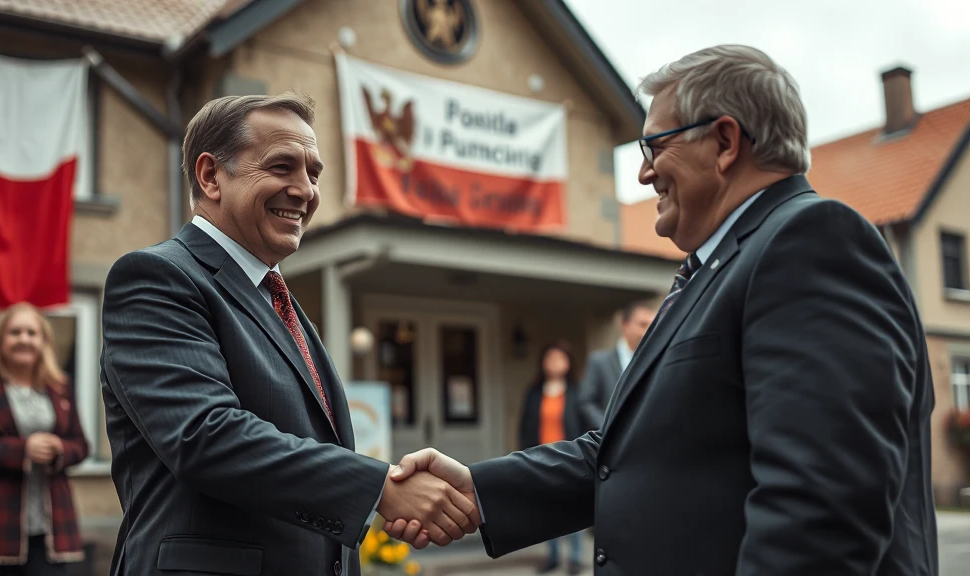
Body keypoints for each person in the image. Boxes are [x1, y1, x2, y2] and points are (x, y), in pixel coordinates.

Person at [384, 44, 939, 575]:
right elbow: (627, 455)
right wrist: (478, 490)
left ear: (725, 142)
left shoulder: (811, 242)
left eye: (655, 147)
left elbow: (821, 511)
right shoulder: (715, 271)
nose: (644, 174)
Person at [99, 93, 476, 576]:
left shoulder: (281, 304)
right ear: (211, 176)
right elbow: (205, 435)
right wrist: (380, 487)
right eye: (282, 167)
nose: (304, 191)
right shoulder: (156, 277)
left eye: (313, 174)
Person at [0, 303, 89, 575]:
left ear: (43, 341)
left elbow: (81, 445)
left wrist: (59, 449)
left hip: (51, 526)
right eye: (15, 332)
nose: (24, 339)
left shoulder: (60, 387)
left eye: (31, 333)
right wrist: (23, 449)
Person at [517, 341, 587, 574]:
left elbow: (585, 426)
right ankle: (553, 555)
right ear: (543, 362)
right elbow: (525, 427)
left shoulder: (577, 392)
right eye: (550, 358)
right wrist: (523, 457)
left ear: (568, 363)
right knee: (547, 510)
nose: (555, 363)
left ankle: (575, 558)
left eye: (560, 358)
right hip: (540, 459)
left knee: (574, 509)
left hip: (570, 459)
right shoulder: (534, 392)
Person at [578, 304, 654, 430]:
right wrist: (607, 429)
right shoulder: (599, 361)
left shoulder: (655, 361)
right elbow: (586, 402)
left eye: (652, 326)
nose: (649, 331)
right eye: (642, 325)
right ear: (625, 325)